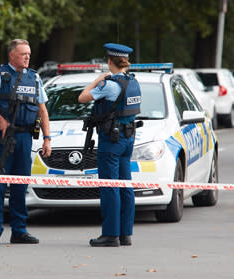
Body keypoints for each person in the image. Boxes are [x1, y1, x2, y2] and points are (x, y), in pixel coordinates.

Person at [0, 39, 52, 246]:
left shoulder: (34, 77)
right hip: (3, 138)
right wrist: (0, 119)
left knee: (21, 186)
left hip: (25, 137)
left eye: (29, 53)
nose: (27, 57)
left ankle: (19, 231)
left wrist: (47, 139)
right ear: (12, 56)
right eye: (23, 54)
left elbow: (42, 110)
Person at [78, 43, 141, 247]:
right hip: (128, 139)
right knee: (125, 185)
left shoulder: (110, 85)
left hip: (111, 141)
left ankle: (110, 235)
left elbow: (82, 98)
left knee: (109, 186)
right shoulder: (133, 82)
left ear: (109, 61)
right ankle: (125, 234)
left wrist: (97, 80)